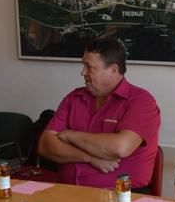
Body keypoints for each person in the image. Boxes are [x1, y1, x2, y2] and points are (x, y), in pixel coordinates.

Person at [38, 37, 160, 189]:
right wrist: (88, 157)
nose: (82, 72)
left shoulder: (141, 101)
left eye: (89, 67)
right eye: (83, 65)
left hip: (120, 196)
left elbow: (120, 148)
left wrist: (70, 135)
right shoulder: (74, 98)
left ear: (113, 70)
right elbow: (45, 145)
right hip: (66, 191)